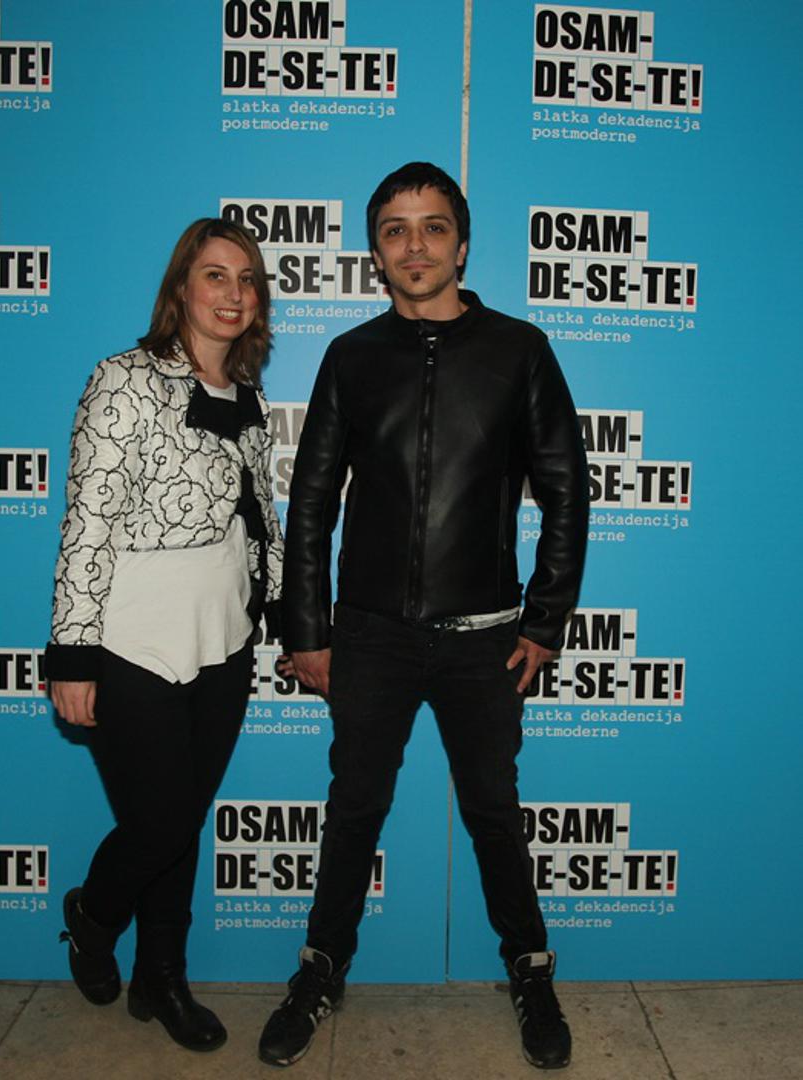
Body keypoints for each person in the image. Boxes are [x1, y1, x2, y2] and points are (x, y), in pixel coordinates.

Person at [258, 163, 589, 1070]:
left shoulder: (520, 349)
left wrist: (544, 620)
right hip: (370, 638)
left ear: (462, 244)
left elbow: (567, 491)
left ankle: (530, 969)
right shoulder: (351, 356)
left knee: (493, 810)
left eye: (433, 227)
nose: (416, 245)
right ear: (376, 251)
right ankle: (320, 969)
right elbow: (310, 503)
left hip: (486, 642)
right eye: (395, 230)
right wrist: (307, 631)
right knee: (354, 809)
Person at [45, 218, 283, 1053]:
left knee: (183, 823)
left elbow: (258, 520)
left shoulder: (249, 399)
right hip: (131, 641)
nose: (233, 293)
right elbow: (89, 522)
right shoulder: (124, 379)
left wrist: (281, 611)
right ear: (181, 287)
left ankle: (162, 977)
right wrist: (73, 655)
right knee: (160, 824)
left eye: (247, 279)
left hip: (224, 639)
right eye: (215, 275)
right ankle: (92, 916)